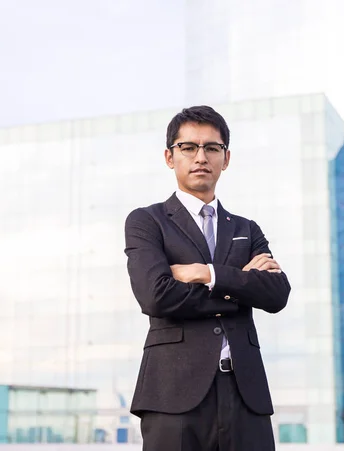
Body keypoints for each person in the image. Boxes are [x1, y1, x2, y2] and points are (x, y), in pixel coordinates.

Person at [124, 105, 291, 450]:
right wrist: (241, 286)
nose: (201, 156)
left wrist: (207, 274)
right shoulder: (146, 222)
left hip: (246, 395)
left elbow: (276, 294)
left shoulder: (247, 229)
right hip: (174, 394)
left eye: (212, 148)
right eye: (189, 147)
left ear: (226, 158)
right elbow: (156, 295)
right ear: (170, 157)